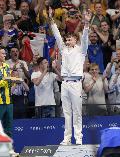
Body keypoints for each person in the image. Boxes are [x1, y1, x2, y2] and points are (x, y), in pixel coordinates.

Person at [50, 8, 90, 145]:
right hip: (65, 83)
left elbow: (85, 38)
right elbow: (56, 36)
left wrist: (87, 23)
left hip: (76, 83)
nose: (67, 40)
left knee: (77, 111)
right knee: (66, 112)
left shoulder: (81, 50)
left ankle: (78, 137)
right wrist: (51, 19)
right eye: (67, 39)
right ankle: (67, 138)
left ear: (75, 40)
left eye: (70, 38)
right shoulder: (63, 49)